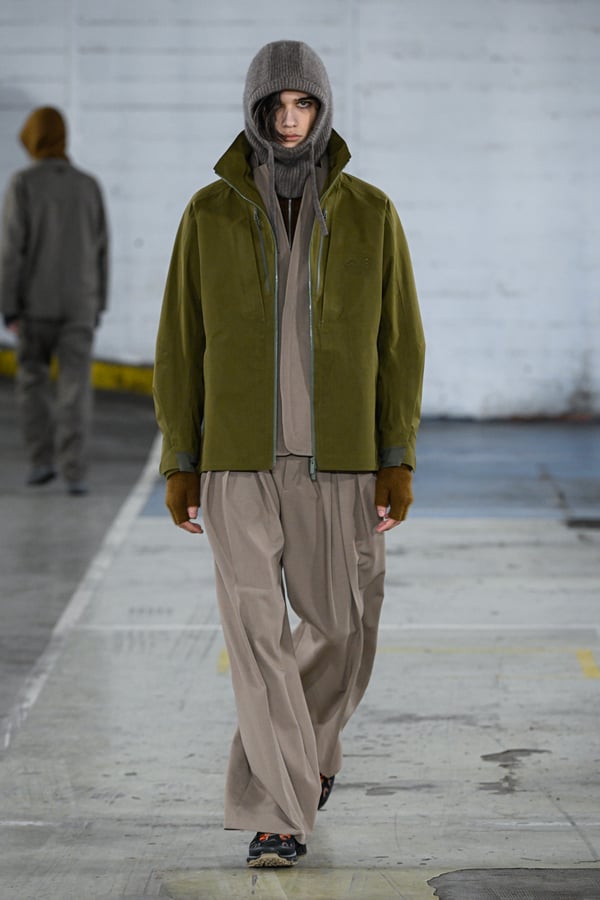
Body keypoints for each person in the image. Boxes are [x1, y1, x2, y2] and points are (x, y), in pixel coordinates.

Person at [153, 40, 425, 868]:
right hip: (236, 463)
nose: (289, 118)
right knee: (256, 637)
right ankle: (278, 809)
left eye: (302, 103)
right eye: (274, 105)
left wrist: (396, 456)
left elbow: (399, 342)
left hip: (338, 462)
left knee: (343, 628)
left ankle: (307, 753)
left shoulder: (371, 213)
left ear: (323, 108)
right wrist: (180, 460)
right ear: (254, 112)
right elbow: (180, 344)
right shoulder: (209, 214)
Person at [0, 106, 109, 494]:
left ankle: (42, 461)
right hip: (80, 304)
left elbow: (12, 249)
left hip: (35, 305)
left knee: (33, 381)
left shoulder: (24, 183)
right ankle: (75, 472)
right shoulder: (88, 185)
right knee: (76, 387)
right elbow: (101, 249)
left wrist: (9, 305)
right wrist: (98, 303)